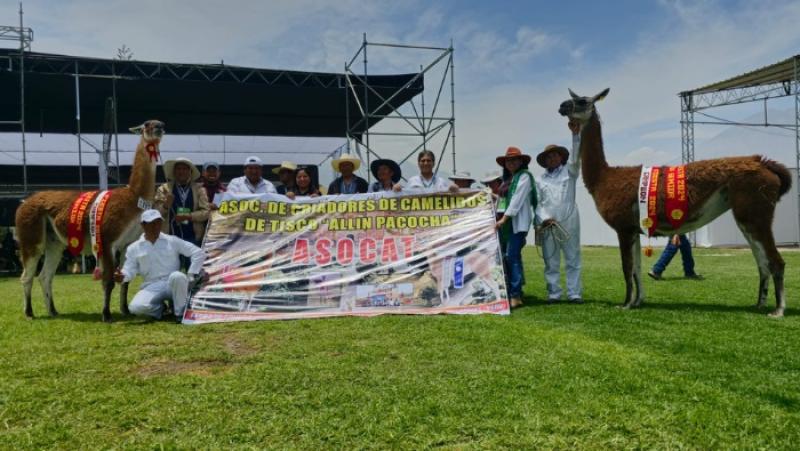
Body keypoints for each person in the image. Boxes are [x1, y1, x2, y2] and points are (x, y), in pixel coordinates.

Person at [113, 209, 205, 322]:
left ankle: (180, 313)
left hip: (173, 283)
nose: (155, 226)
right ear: (143, 225)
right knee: (135, 308)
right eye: (151, 223)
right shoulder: (134, 248)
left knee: (178, 276)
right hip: (151, 286)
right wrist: (122, 276)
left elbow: (198, 252)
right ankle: (162, 310)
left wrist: (191, 275)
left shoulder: (172, 240)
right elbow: (129, 269)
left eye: (158, 222)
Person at [534, 121, 583, 304]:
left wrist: (575, 135)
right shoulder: (540, 180)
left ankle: (574, 293)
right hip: (549, 223)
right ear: (545, 161)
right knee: (551, 260)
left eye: (555, 156)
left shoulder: (570, 172)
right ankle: (554, 293)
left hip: (569, 219)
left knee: (573, 258)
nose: (552, 159)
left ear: (561, 158)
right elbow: (537, 203)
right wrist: (545, 218)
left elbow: (577, 157)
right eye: (548, 157)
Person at [494, 146, 537, 308]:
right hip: (504, 223)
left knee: (512, 256)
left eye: (514, 160)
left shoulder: (524, 177)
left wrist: (504, 218)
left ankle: (515, 295)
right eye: (508, 161)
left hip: (515, 223)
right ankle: (511, 290)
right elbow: (501, 201)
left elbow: (517, 200)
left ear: (521, 161)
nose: (511, 163)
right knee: (506, 257)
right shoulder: (507, 180)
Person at [154, 157, 210, 247]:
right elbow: (156, 213)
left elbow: (206, 212)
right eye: (178, 169)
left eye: (185, 169)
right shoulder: (164, 189)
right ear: (174, 172)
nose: (181, 171)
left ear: (190, 172)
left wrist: (189, 216)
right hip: (169, 238)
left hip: (193, 238)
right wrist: (166, 205)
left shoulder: (200, 189)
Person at [394, 150, 458, 193]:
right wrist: (397, 191)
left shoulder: (441, 182)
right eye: (423, 161)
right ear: (418, 163)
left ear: (433, 163)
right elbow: (404, 197)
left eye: (428, 160)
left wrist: (454, 190)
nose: (426, 163)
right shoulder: (412, 181)